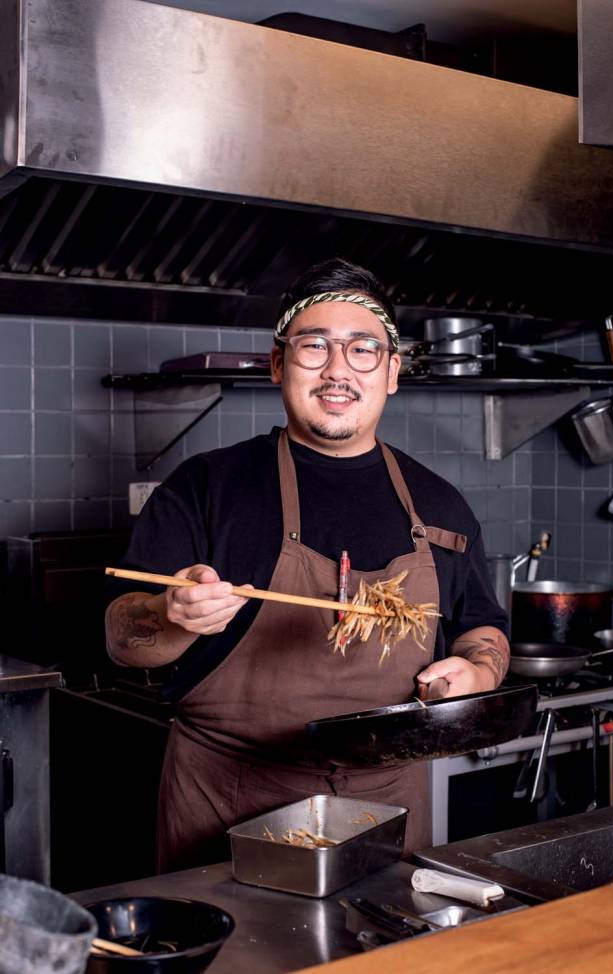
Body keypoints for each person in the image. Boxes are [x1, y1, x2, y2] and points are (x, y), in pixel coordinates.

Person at [105, 258, 509, 872]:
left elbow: (480, 626)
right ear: (278, 364)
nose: (338, 369)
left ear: (393, 372)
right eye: (313, 346)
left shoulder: (439, 502)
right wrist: (174, 616)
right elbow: (120, 638)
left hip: (389, 807)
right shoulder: (208, 486)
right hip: (228, 798)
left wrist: (477, 674)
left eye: (363, 349)